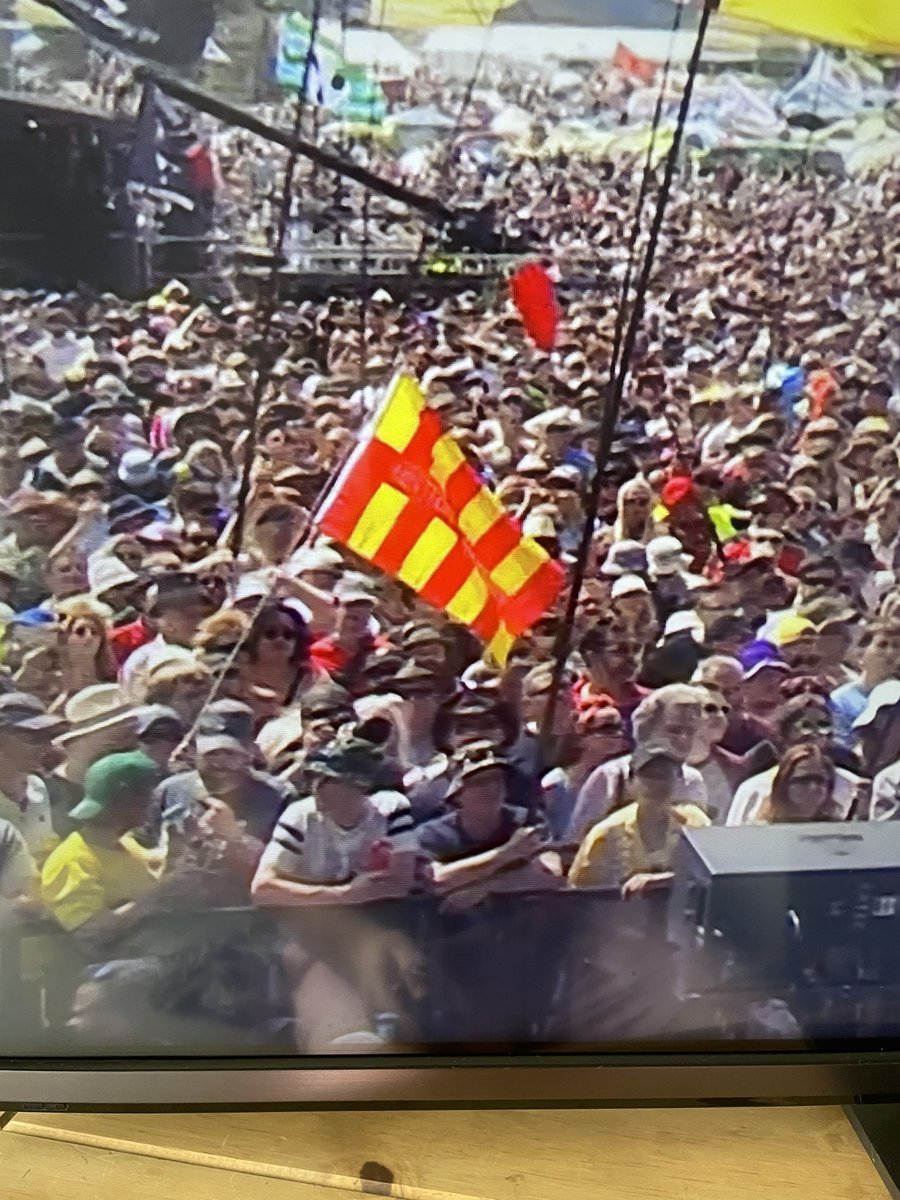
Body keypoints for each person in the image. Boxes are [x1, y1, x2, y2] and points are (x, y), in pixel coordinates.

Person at [417, 742, 563, 905]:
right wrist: (506, 853)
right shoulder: (433, 835)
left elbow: (551, 876)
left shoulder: (528, 820)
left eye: (497, 779)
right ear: (457, 795)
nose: (492, 787)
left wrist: (485, 888)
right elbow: (437, 881)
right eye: (481, 782)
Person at [40, 751, 162, 940]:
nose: (151, 799)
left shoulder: (124, 844)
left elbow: (158, 864)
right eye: (144, 792)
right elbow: (89, 936)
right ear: (122, 797)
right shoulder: (74, 860)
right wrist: (157, 898)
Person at [568, 684, 708, 842]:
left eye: (690, 731)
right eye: (674, 730)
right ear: (647, 728)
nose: (683, 739)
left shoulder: (693, 781)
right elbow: (577, 841)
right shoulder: (611, 776)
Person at [569, 746, 711, 894]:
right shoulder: (605, 833)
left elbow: (710, 875)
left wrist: (660, 880)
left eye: (665, 774)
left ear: (680, 781)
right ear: (630, 782)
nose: (656, 784)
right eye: (647, 775)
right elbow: (582, 892)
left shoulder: (696, 824)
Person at [755, 745, 844, 825]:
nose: (813, 787)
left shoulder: (836, 830)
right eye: (803, 780)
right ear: (784, 784)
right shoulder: (763, 829)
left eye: (820, 780)